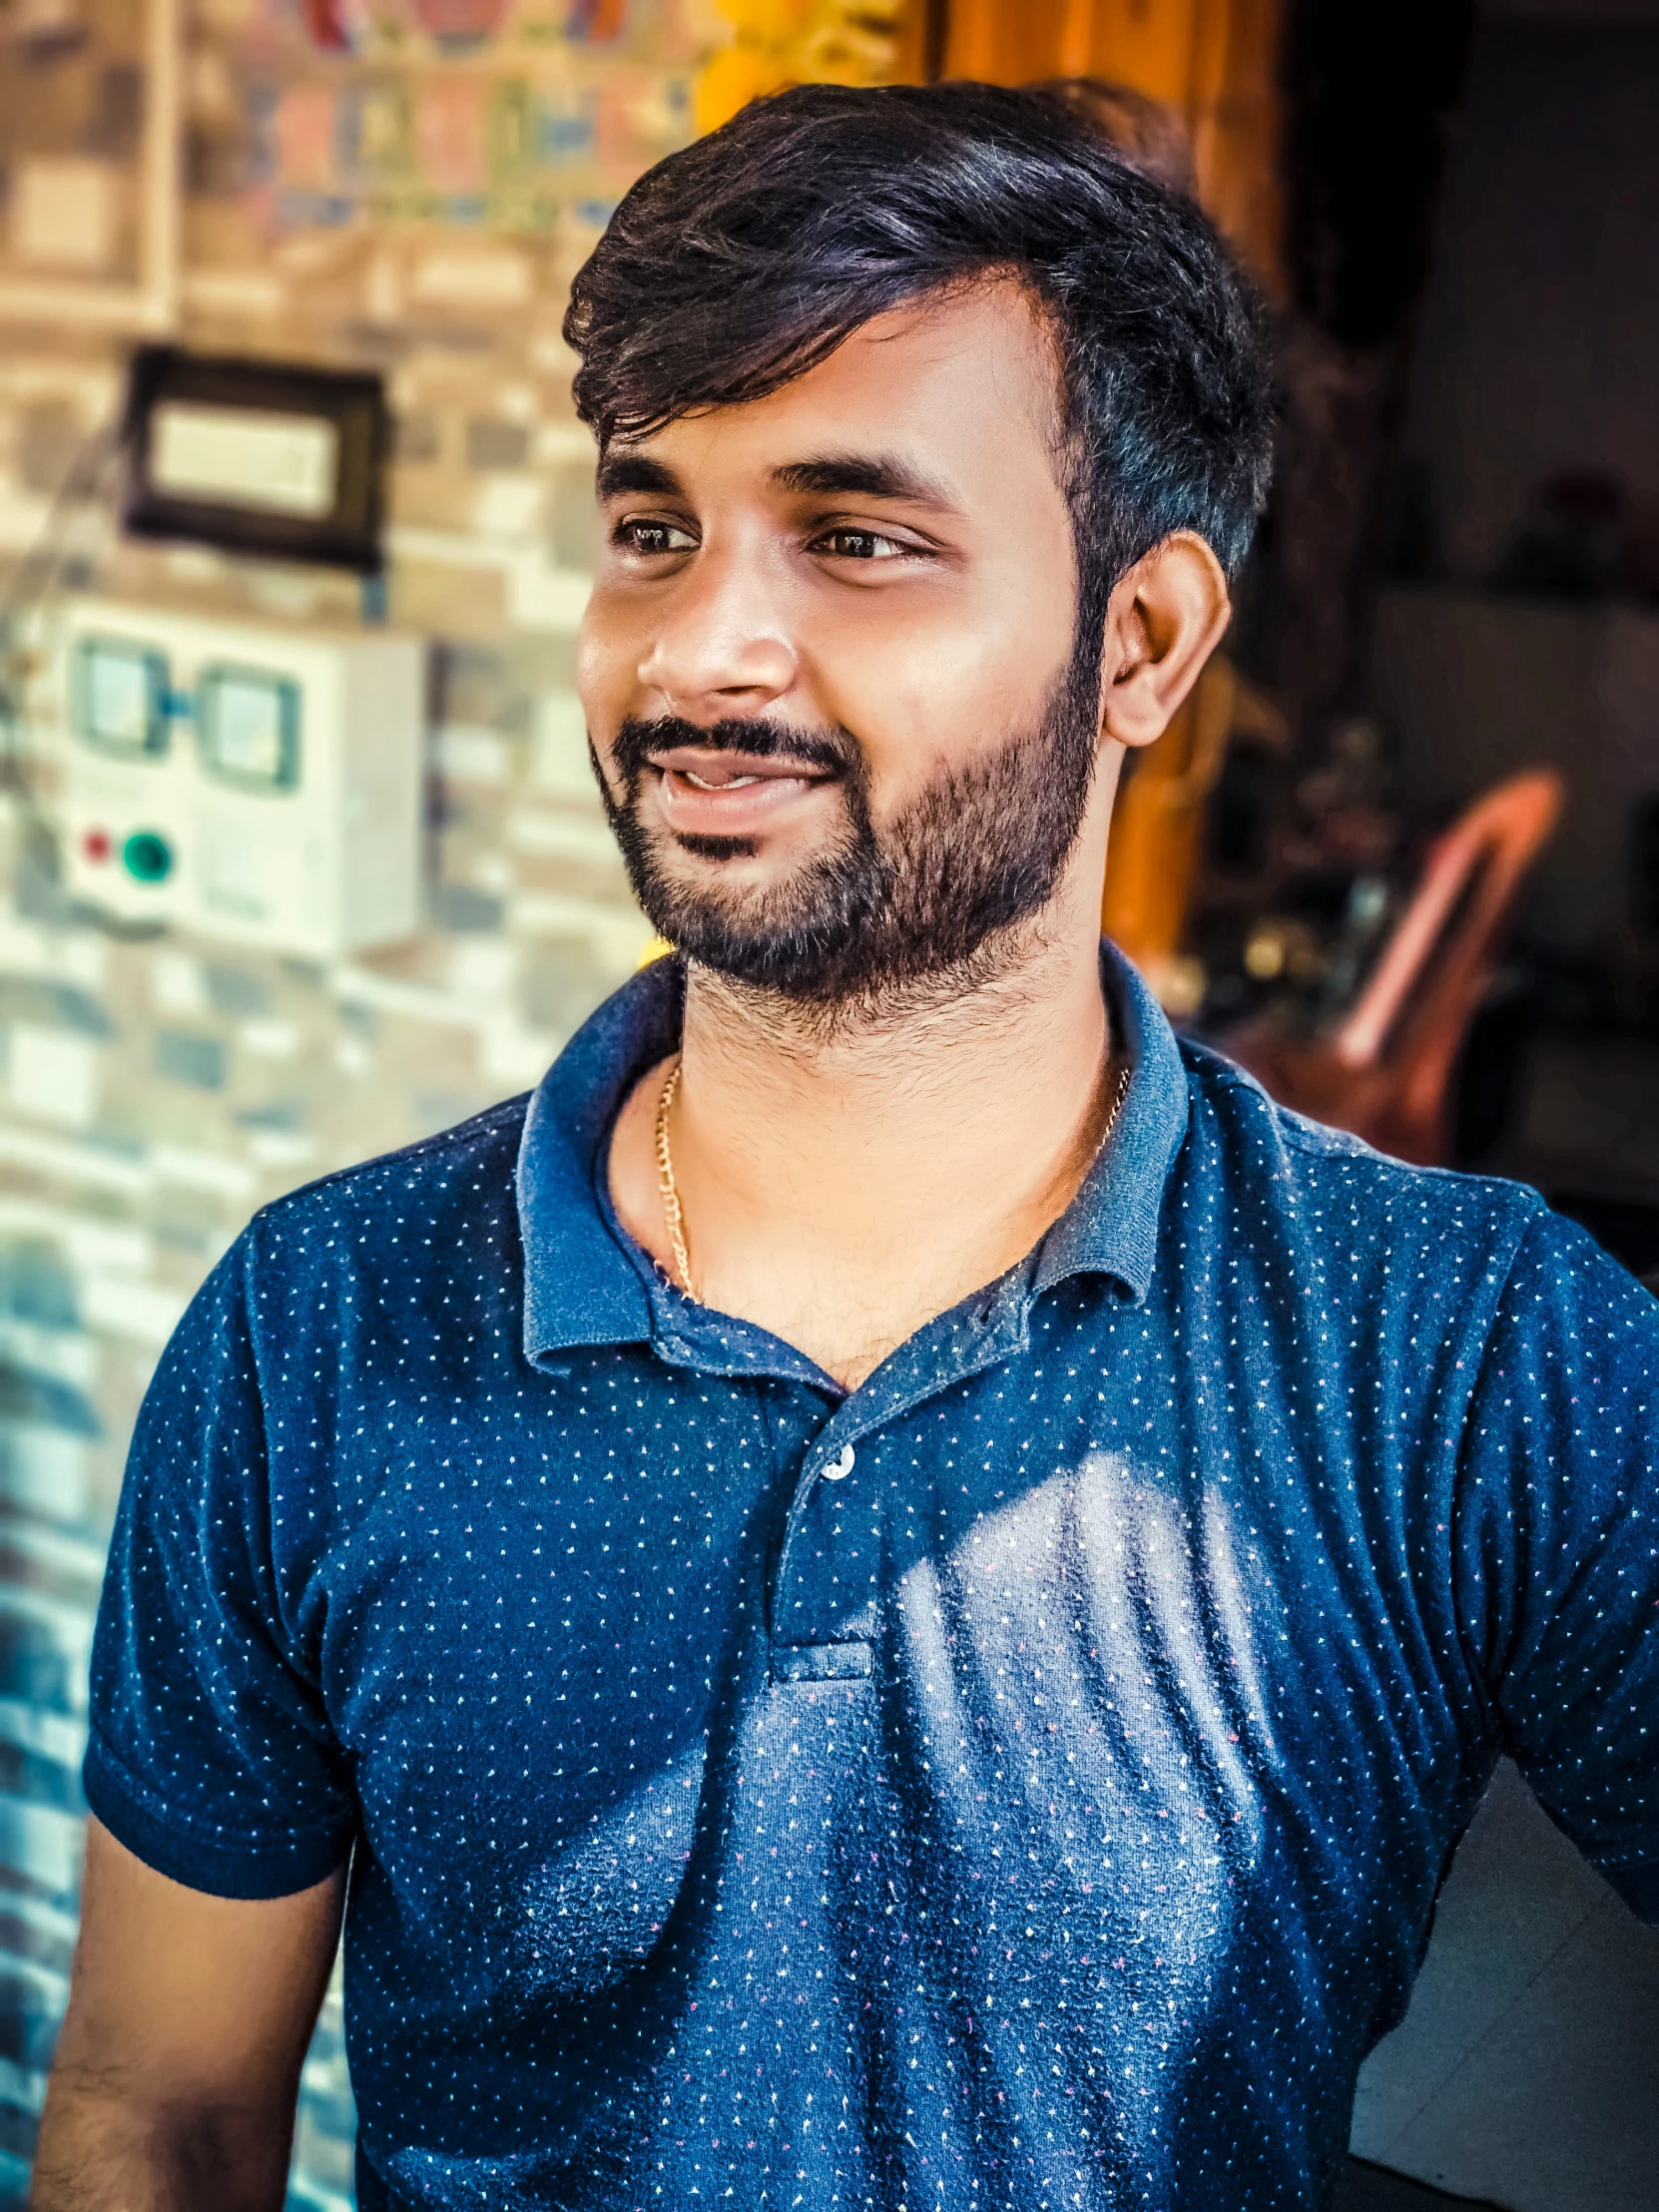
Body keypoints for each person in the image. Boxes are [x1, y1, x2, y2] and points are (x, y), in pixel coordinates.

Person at [34, 81, 1658, 2212]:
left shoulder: (1470, 1361)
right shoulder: (317, 1328)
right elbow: (159, 2114)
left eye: (860, 535)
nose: (697, 646)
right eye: (653, 527)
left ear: (1144, 642)